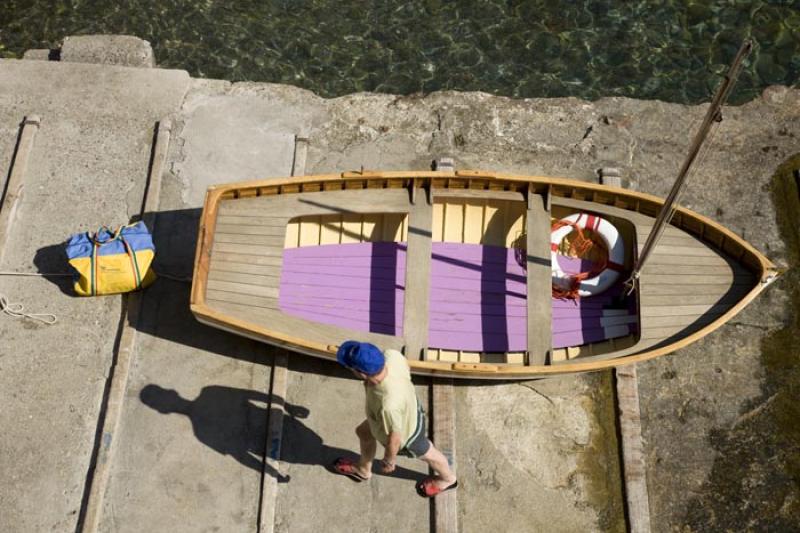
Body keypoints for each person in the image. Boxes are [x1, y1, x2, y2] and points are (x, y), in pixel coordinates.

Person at [331, 340, 458, 497]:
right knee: (363, 432)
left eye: (349, 367)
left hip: (409, 435)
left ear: (361, 373)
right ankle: (363, 470)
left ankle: (448, 479)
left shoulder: (388, 404)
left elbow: (395, 439)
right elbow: (406, 366)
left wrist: (389, 460)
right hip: (405, 408)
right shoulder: (392, 355)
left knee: (429, 454)